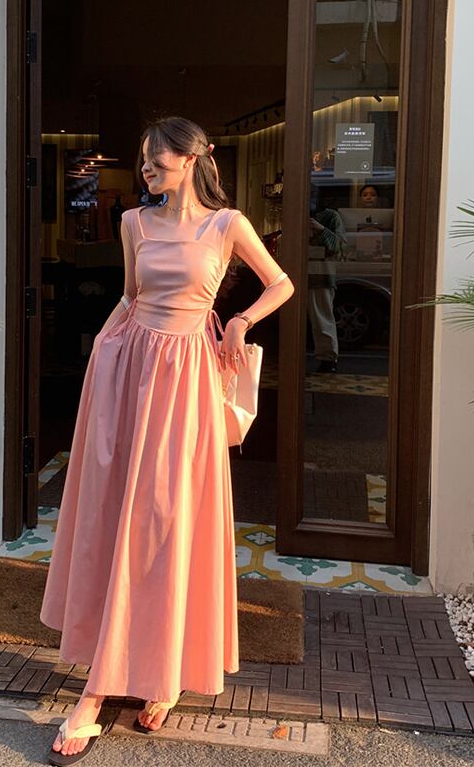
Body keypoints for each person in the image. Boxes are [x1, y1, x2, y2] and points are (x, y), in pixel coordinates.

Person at [39, 115, 294, 764]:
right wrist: (100, 361)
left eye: (157, 159)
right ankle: (98, 688)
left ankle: (165, 671)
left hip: (188, 383)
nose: (147, 169)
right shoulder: (134, 223)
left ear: (191, 158)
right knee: (119, 516)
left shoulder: (227, 224)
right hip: (129, 374)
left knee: (171, 521)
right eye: (144, 160)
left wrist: (239, 321)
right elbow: (129, 299)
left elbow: (282, 283)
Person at [308, 203, 346, 372]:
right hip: (298, 273)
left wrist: (321, 229)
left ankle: (328, 358)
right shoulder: (295, 212)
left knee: (322, 318)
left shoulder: (331, 216)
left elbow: (340, 246)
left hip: (320, 275)